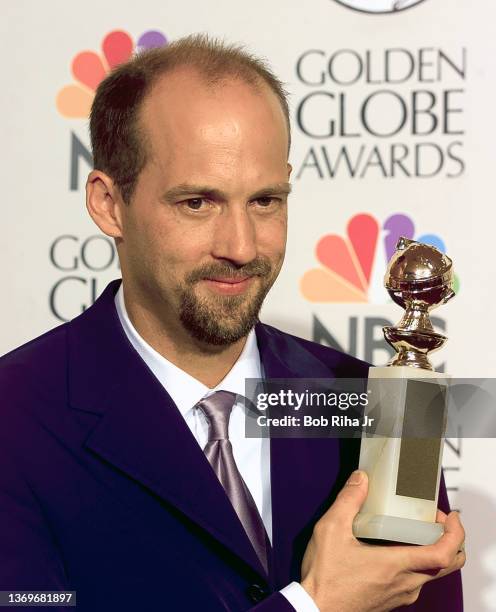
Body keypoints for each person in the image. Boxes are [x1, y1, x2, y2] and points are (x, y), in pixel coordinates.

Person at [0, 35, 464, 611]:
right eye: (198, 203)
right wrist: (314, 605)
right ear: (109, 203)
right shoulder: (14, 416)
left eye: (266, 201)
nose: (241, 246)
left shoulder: (375, 400)